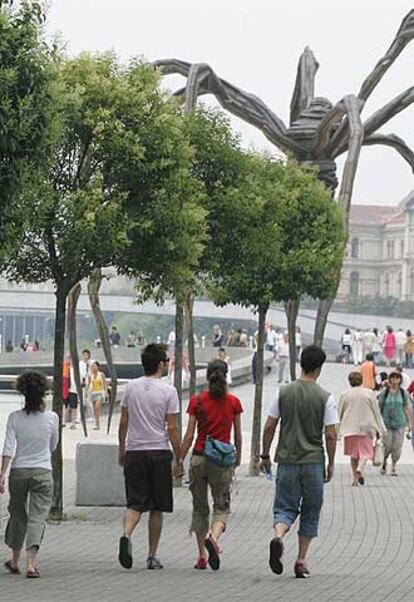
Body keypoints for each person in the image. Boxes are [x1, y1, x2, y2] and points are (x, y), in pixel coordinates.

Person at [260, 345, 338, 579]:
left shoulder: (283, 392)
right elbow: (331, 433)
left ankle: (278, 536)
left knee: (284, 506)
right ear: (319, 368)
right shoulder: (325, 397)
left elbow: (269, 426)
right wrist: (331, 463)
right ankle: (301, 560)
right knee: (311, 510)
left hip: (287, 461)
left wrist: (265, 455)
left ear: (301, 363)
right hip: (313, 461)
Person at [117, 343, 181, 571]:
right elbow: (172, 427)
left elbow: (123, 421)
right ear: (161, 364)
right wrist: (179, 457)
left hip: (134, 451)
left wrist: (122, 448)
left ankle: (126, 534)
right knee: (157, 507)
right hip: (158, 452)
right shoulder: (168, 391)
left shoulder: (131, 387)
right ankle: (152, 555)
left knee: (135, 502)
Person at [177, 359, 243, 571]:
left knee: (199, 508)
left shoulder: (196, 402)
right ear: (226, 375)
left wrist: (178, 459)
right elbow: (238, 436)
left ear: (207, 376)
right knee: (221, 506)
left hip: (198, 458)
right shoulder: (233, 402)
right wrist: (238, 457)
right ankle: (214, 538)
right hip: (222, 462)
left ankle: (201, 556)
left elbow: (189, 435)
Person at [0, 371, 58, 578]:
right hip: (43, 471)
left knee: (17, 516)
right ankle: (31, 564)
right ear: (44, 394)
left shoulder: (14, 418)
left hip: (18, 472)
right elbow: (53, 446)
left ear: (23, 394)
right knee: (37, 518)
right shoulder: (52, 418)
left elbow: (8, 449)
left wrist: (2, 475)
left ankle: (15, 560)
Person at [338, 371, 386, 486]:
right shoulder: (369, 393)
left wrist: (338, 428)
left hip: (350, 427)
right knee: (366, 452)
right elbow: (376, 412)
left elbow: (340, 411)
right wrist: (381, 429)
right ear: (361, 380)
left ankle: (354, 479)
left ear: (349, 381)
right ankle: (360, 468)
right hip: (367, 427)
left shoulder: (345, 394)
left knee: (353, 454)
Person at [378, 370, 410, 476]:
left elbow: (406, 407)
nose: (395, 380)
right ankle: (384, 462)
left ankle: (394, 465)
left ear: (400, 380)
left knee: (397, 446)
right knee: (387, 445)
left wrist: (409, 423)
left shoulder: (403, 393)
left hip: (400, 423)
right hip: (386, 422)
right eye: (393, 377)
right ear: (390, 379)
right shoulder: (384, 392)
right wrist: (377, 422)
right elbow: (379, 407)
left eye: (397, 378)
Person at [87, 361, 108, 430]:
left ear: (98, 367)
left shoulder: (101, 374)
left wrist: (106, 392)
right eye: (92, 366)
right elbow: (89, 384)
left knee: (97, 407)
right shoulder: (91, 375)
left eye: (95, 366)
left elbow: (105, 384)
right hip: (93, 393)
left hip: (99, 393)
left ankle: (97, 423)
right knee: (95, 409)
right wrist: (86, 392)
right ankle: (97, 423)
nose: (94, 367)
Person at [62, 357, 79, 429]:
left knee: (73, 407)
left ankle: (73, 422)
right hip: (65, 389)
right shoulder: (64, 368)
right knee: (64, 406)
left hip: (73, 390)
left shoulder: (76, 370)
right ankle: (63, 422)